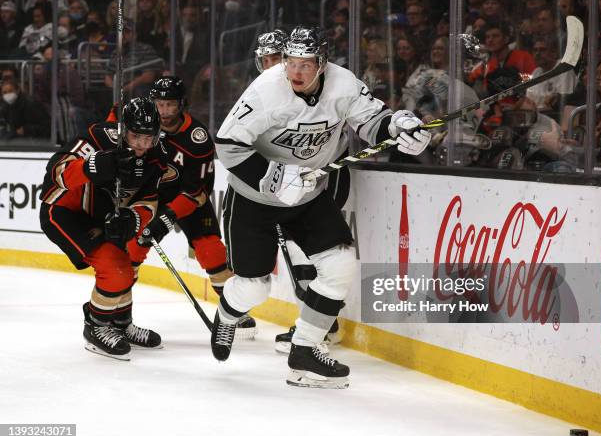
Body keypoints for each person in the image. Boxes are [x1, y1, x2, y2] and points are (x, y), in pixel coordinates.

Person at [211, 26, 432, 388]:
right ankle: (227, 314)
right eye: (290, 62)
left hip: (309, 195)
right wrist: (275, 177)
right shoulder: (267, 90)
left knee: (340, 266)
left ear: (323, 63)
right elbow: (228, 145)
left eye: (306, 64)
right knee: (254, 288)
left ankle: (304, 351)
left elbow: (372, 121)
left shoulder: (343, 84)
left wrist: (400, 125)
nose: (296, 72)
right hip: (254, 199)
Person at [127, 76, 256, 338]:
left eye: (170, 105)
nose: (163, 111)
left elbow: (197, 191)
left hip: (188, 200)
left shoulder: (196, 139)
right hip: (151, 198)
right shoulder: (143, 127)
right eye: (159, 104)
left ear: (182, 104)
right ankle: (119, 314)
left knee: (212, 252)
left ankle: (233, 310)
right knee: (131, 250)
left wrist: (168, 217)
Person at [39, 98, 166, 360]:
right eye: (135, 137)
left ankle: (121, 323)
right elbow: (56, 173)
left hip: (102, 216)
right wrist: (91, 166)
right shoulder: (98, 138)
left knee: (128, 266)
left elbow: (149, 201)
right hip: (65, 212)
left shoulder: (156, 157)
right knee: (115, 268)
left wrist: (132, 219)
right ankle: (96, 326)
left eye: (149, 138)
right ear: (123, 130)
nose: (143, 145)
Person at [253, 28, 343, 353]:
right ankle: (319, 324)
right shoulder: (267, 94)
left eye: (277, 59)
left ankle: (319, 327)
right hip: (292, 184)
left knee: (307, 251)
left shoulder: (314, 90)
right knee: (295, 250)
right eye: (267, 59)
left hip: (321, 180)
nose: (272, 66)